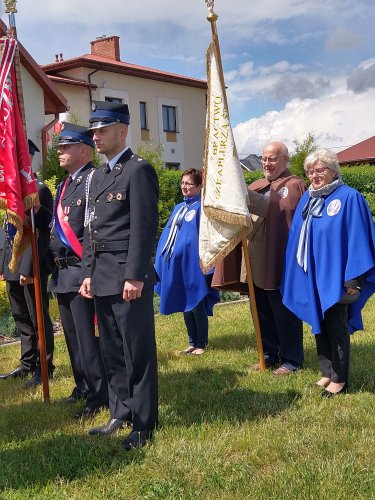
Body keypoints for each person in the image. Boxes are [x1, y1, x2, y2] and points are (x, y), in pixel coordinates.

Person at [80, 101, 159, 450]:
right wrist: (87, 273)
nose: (96, 136)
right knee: (111, 348)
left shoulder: (138, 170)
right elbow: (90, 230)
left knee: (136, 350)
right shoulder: (97, 175)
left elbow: (143, 228)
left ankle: (143, 422)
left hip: (127, 277)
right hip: (101, 274)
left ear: (122, 130)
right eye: (94, 131)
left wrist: (136, 276)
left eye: (103, 130)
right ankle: (120, 410)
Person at [282, 149, 375, 396]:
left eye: (320, 170)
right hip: (313, 276)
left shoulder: (349, 198)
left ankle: (340, 379)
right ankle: (326, 372)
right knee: (318, 324)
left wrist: (353, 279)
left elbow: (357, 238)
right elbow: (298, 238)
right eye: (310, 171)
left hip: (336, 277)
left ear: (334, 169)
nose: (314, 175)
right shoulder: (308, 200)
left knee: (336, 326)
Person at [212, 141, 306, 375]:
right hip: (255, 261)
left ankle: (291, 359)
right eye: (264, 158)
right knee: (261, 311)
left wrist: (242, 192)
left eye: (272, 158)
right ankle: (269, 354)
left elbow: (274, 209)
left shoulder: (294, 185)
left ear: (285, 160)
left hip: (278, 262)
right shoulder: (258, 184)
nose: (266, 163)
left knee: (283, 312)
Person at [49, 123, 108, 418]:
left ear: (83, 150)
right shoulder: (66, 184)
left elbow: (92, 231)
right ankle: (83, 386)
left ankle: (99, 395)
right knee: (73, 339)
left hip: (80, 271)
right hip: (63, 275)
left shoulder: (92, 180)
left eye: (66, 147)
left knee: (88, 339)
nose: (59, 152)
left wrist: (89, 271)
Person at [0, 140, 55, 387]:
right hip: (12, 264)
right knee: (22, 318)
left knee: (37, 318)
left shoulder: (38, 190)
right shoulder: (11, 190)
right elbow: (8, 230)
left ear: (26, 159)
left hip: (28, 267)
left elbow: (39, 233)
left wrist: (27, 268)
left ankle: (44, 367)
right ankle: (27, 362)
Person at [155, 168, 220, 355]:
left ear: (199, 186)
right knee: (185, 302)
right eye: (182, 183)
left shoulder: (202, 208)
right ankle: (192, 342)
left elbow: (205, 237)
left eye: (189, 183)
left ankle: (201, 343)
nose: (184, 186)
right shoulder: (179, 208)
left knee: (196, 301)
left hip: (193, 264)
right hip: (177, 265)